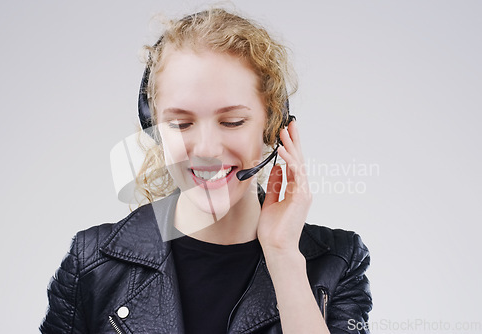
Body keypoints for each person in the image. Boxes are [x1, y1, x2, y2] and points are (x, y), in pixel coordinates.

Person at [40, 8, 372, 334]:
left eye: (232, 122)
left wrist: (284, 256)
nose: (207, 149)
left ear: (272, 127)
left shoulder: (339, 262)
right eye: (181, 123)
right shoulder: (91, 264)